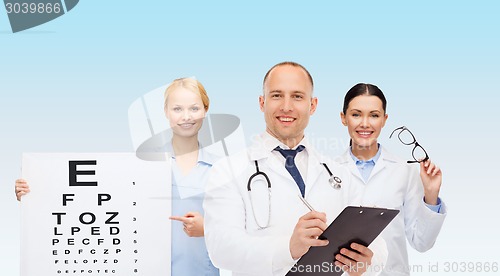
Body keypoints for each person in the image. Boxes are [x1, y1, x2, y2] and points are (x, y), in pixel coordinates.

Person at [15, 77, 220, 276]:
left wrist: (208, 228)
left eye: (194, 108)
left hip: (200, 270)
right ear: (166, 112)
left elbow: (239, 226)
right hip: (147, 269)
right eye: (177, 109)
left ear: (205, 110)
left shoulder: (221, 169)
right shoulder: (141, 165)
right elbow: (99, 201)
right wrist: (35, 192)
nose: (186, 116)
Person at [203, 62, 386, 276]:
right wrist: (288, 248)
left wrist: (368, 262)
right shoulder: (227, 171)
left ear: (313, 105)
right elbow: (221, 250)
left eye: (297, 96)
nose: (286, 107)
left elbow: (378, 242)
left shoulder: (340, 172)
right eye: (277, 95)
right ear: (262, 103)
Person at [336, 83, 447, 275]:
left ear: (384, 119)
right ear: (343, 118)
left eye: (374, 115)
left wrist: (431, 196)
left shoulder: (405, 172)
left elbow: (422, 243)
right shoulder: (328, 171)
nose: (365, 123)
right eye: (356, 114)